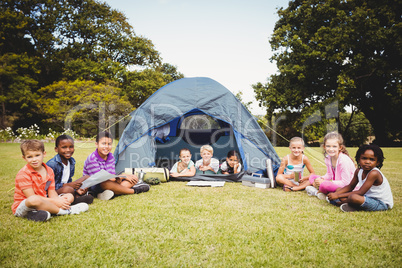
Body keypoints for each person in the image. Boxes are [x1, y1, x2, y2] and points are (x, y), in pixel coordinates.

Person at [12, 140, 89, 222]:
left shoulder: (49, 170)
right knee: (34, 200)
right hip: (26, 205)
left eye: (37, 155)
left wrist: (58, 201)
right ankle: (64, 211)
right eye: (30, 157)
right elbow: (31, 197)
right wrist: (54, 201)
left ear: (44, 154)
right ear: (24, 158)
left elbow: (51, 191)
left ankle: (43, 212)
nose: (34, 159)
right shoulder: (23, 174)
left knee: (69, 196)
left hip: (45, 200)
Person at [83, 131, 149, 200]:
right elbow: (99, 179)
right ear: (96, 144)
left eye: (109, 144)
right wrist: (121, 176)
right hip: (95, 185)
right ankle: (134, 190)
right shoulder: (92, 158)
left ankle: (109, 193)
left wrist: (118, 179)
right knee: (105, 183)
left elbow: (112, 175)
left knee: (134, 177)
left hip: (109, 183)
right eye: (103, 144)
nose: (106, 147)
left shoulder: (111, 156)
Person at [328, 144, 393, 212]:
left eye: (372, 159)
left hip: (380, 204)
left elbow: (360, 192)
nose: (367, 162)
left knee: (353, 197)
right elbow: (350, 186)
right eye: (364, 158)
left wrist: (338, 196)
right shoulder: (358, 171)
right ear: (358, 159)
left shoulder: (374, 173)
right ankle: (349, 204)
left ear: (377, 162)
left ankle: (341, 203)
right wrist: (336, 193)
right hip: (366, 198)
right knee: (339, 189)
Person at [305, 132, 355, 200]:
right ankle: (320, 190)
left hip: (346, 188)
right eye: (328, 146)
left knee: (324, 185)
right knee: (313, 177)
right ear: (324, 147)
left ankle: (316, 192)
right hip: (335, 184)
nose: (331, 149)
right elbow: (329, 175)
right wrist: (320, 179)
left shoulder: (343, 160)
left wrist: (325, 182)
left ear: (340, 147)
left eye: (334, 146)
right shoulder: (328, 158)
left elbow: (346, 182)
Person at [46, 135, 93, 205]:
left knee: (87, 178)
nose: (68, 150)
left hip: (67, 187)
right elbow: (46, 186)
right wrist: (68, 185)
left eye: (71, 147)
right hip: (53, 191)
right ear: (56, 149)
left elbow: (69, 180)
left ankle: (78, 194)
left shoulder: (71, 162)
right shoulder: (52, 164)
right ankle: (76, 198)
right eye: (64, 147)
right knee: (68, 189)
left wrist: (76, 187)